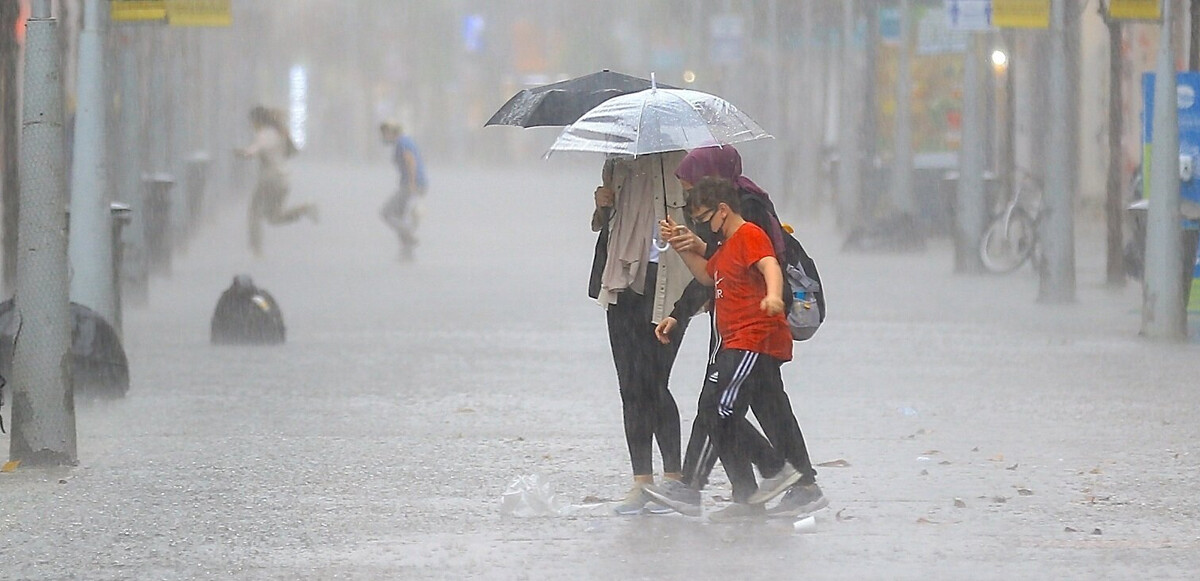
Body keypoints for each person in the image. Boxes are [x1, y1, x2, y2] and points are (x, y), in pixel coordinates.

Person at [645, 177, 826, 521]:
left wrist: (773, 294)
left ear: (723, 211)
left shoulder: (749, 235)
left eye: (705, 218)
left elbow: (770, 265)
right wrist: (682, 246)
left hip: (752, 339)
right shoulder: (725, 245)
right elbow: (706, 277)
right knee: (734, 411)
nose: (703, 226)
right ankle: (749, 496)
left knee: (718, 412)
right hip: (738, 341)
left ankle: (775, 469)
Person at [590, 150, 693, 515]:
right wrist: (602, 204)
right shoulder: (616, 162)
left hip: (668, 284)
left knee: (654, 382)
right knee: (630, 385)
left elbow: (703, 222)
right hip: (620, 281)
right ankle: (641, 482)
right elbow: (605, 224)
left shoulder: (682, 163)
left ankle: (674, 479)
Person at [236, 105, 317, 257]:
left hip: (269, 179)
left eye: (252, 122)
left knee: (254, 212)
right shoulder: (279, 133)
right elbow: (289, 151)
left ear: (257, 120)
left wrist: (242, 152)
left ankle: (256, 249)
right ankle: (305, 208)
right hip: (283, 179)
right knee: (274, 217)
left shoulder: (266, 133)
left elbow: (256, 149)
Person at [379, 121, 428, 262]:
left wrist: (412, 183)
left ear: (390, 132)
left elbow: (410, 160)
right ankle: (406, 243)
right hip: (414, 183)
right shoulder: (405, 141)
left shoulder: (402, 143)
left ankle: (408, 236)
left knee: (386, 212)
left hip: (411, 184)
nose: (383, 137)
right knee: (400, 214)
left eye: (384, 134)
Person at [210, 275, 286, 345]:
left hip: (257, 340)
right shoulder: (227, 299)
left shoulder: (258, 299)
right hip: (233, 340)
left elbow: (270, 314)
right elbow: (218, 318)